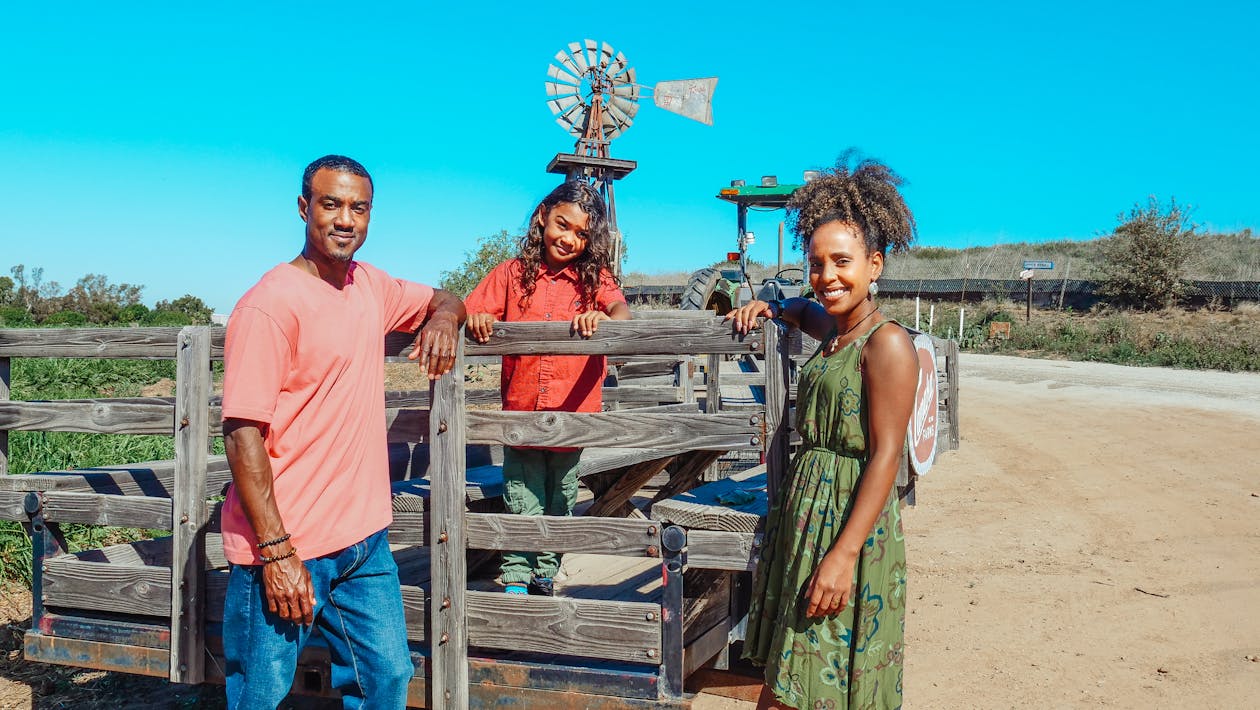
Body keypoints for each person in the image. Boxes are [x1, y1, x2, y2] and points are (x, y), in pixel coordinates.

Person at [219, 154, 466, 709]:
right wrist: (277, 553)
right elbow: (241, 434)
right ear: (305, 208)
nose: (345, 219)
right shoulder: (269, 305)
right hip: (286, 546)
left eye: (359, 207)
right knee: (259, 695)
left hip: (363, 540)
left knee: (386, 680)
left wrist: (446, 319)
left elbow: (444, 297)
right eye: (331, 204)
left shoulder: (369, 286)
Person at [725, 152, 919, 709]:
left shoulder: (887, 344)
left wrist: (843, 555)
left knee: (809, 682)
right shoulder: (836, 332)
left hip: (846, 525)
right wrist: (770, 306)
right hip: (809, 522)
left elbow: (887, 455)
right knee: (798, 678)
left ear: (875, 265)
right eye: (816, 263)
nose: (827, 276)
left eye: (843, 262)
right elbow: (809, 312)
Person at [463, 180, 631, 596]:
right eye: (563, 224)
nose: (569, 239)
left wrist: (603, 319)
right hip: (521, 417)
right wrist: (478, 320)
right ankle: (517, 576)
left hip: (572, 418)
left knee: (562, 496)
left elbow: (622, 316)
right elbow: (469, 311)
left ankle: (546, 572)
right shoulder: (510, 275)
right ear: (542, 216)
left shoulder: (594, 280)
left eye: (582, 234)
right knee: (521, 495)